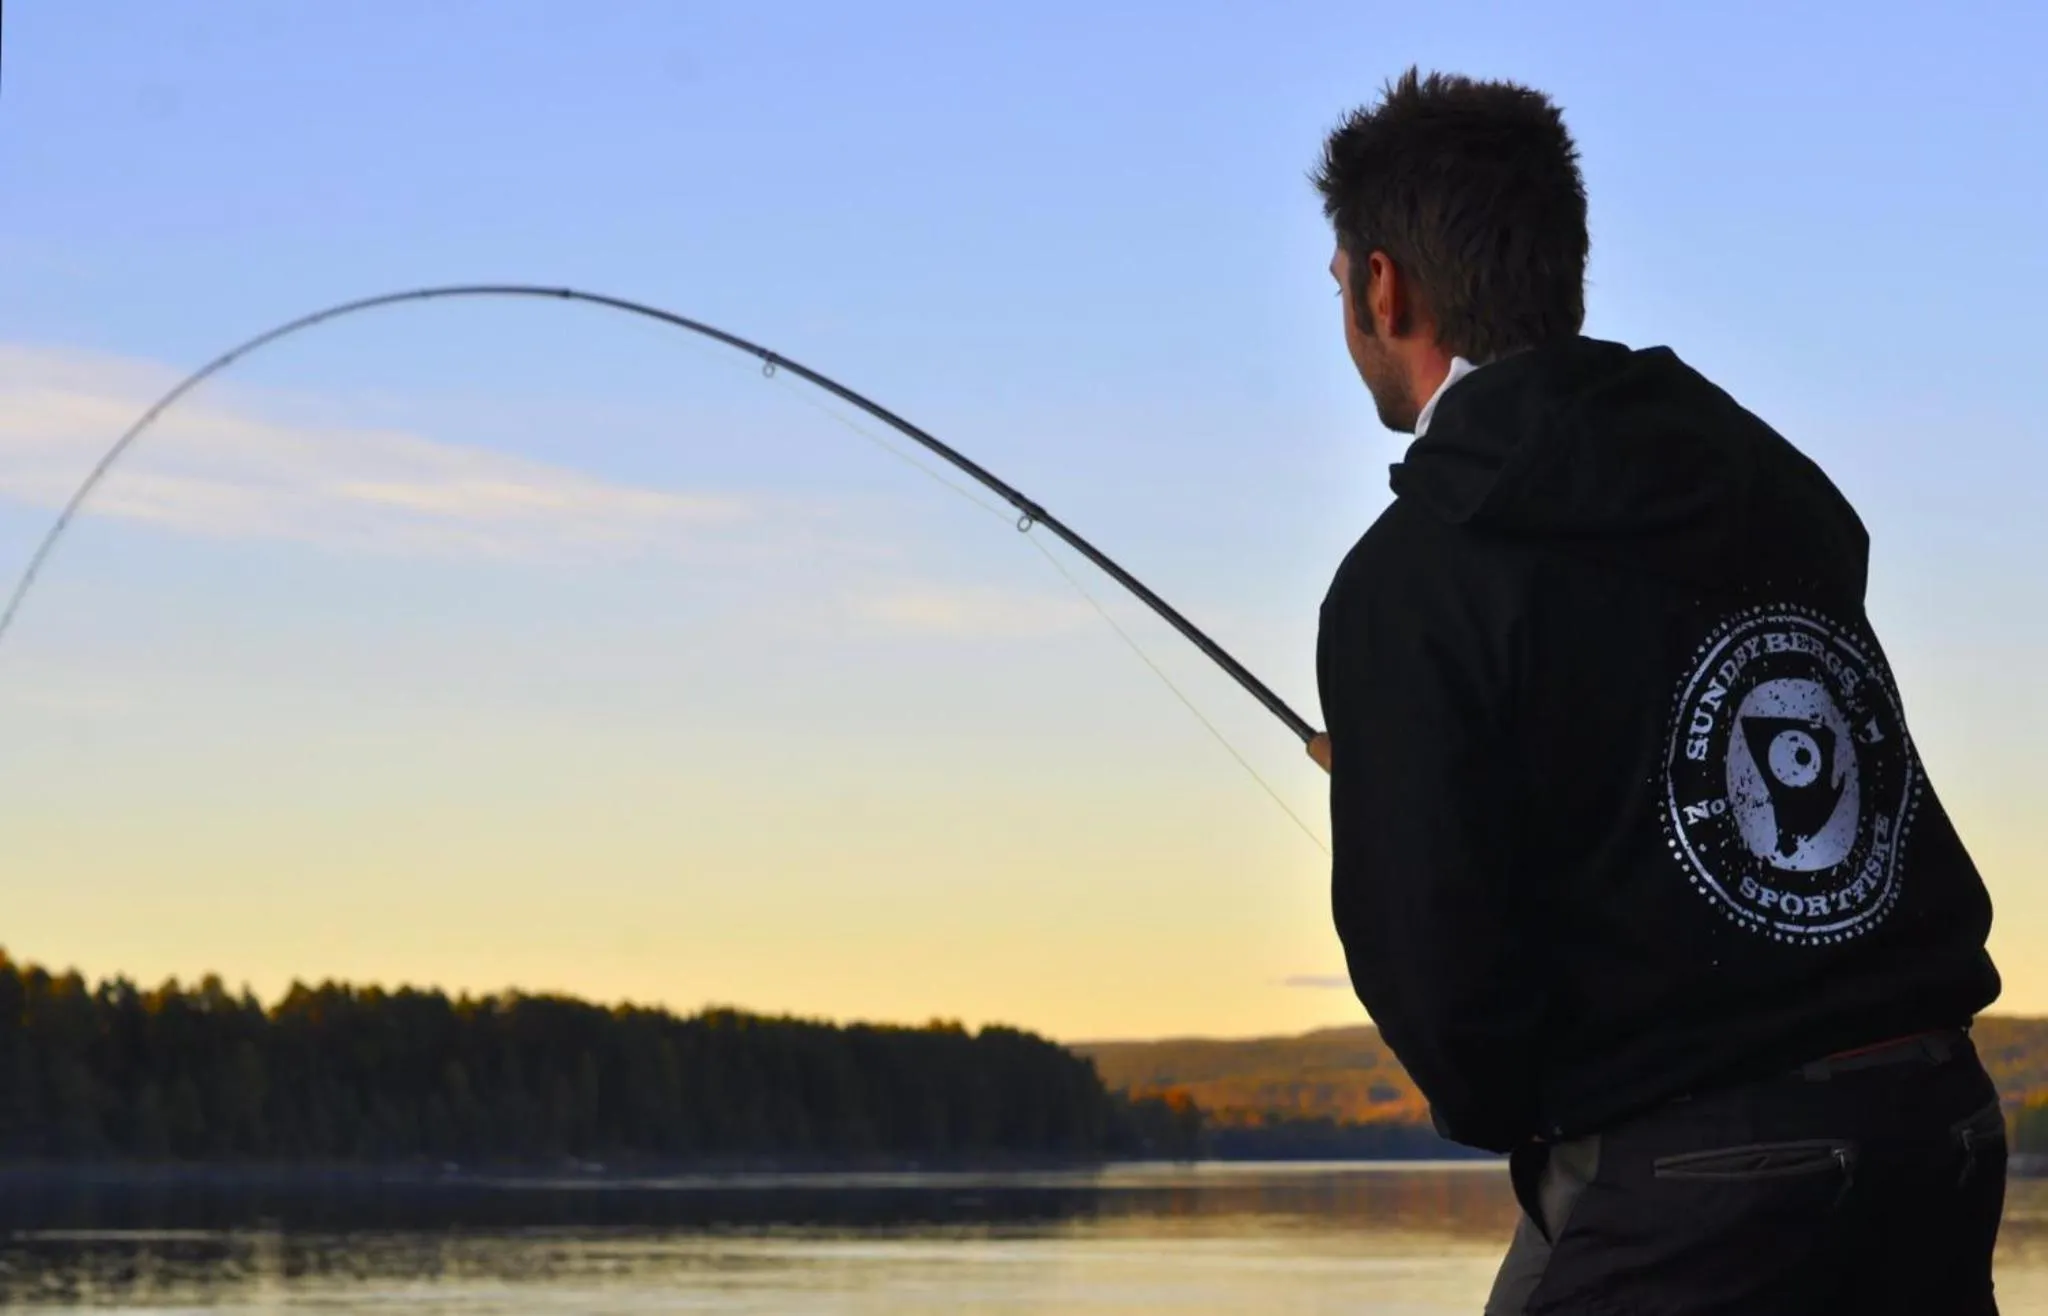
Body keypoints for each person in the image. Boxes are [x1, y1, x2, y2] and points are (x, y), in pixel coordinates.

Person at [1305, 68, 2007, 1313]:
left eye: (1339, 283)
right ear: (1562, 261)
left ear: (1381, 286)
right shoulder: (1770, 484)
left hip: (1697, 1181)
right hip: (1937, 1128)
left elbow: (1453, 1017)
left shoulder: (1412, 580)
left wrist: (1402, 784)